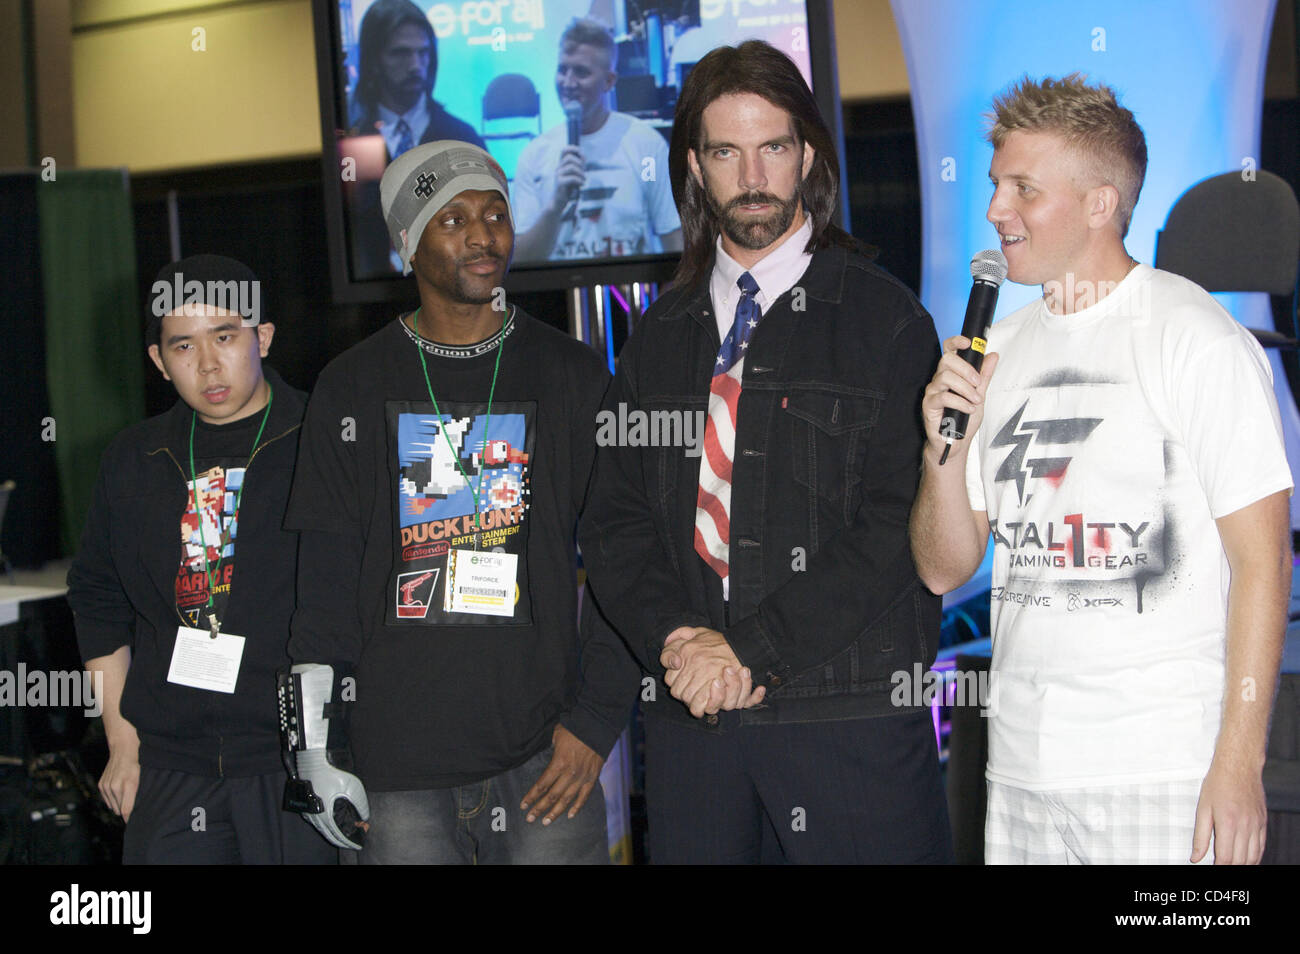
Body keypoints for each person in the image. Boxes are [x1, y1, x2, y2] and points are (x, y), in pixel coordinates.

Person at [578, 41, 953, 864]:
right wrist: (679, 641)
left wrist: (750, 650)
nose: (752, 175)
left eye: (773, 147)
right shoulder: (657, 339)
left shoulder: (887, 322)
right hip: (694, 735)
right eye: (726, 151)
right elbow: (614, 525)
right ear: (696, 169)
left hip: (847, 727)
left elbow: (898, 526)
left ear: (807, 155)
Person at [909, 74, 1293, 865]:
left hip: (1166, 774)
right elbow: (944, 568)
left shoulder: (1196, 338)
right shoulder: (998, 349)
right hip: (1021, 775)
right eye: (994, 186)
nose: (994, 211)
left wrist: (1237, 764)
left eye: (1023, 189)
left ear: (1099, 202)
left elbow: (1263, 561)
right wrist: (941, 450)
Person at [281, 140, 640, 864]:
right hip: (394, 768)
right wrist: (314, 750)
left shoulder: (573, 375)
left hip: (547, 757)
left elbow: (627, 557)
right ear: (407, 246)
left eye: (496, 213)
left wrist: (597, 720)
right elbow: (320, 587)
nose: (483, 235)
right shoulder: (349, 387)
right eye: (452, 219)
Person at [67, 254, 333, 864]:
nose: (209, 363)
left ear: (261, 337)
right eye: (183, 345)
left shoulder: (325, 439)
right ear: (160, 362)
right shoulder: (135, 459)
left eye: (225, 336)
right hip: (170, 763)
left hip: (296, 760)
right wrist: (121, 741)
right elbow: (98, 599)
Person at [512, 17, 682, 263]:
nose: (568, 83)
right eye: (562, 70)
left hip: (632, 295)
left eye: (581, 72)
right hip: (558, 296)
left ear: (609, 81)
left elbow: (671, 237)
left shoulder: (646, 147)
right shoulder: (535, 155)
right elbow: (521, 260)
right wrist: (556, 204)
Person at [347, 0, 484, 156]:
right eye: (401, 53)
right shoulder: (349, 138)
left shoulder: (462, 139)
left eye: (423, 52)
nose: (415, 66)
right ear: (374, 60)